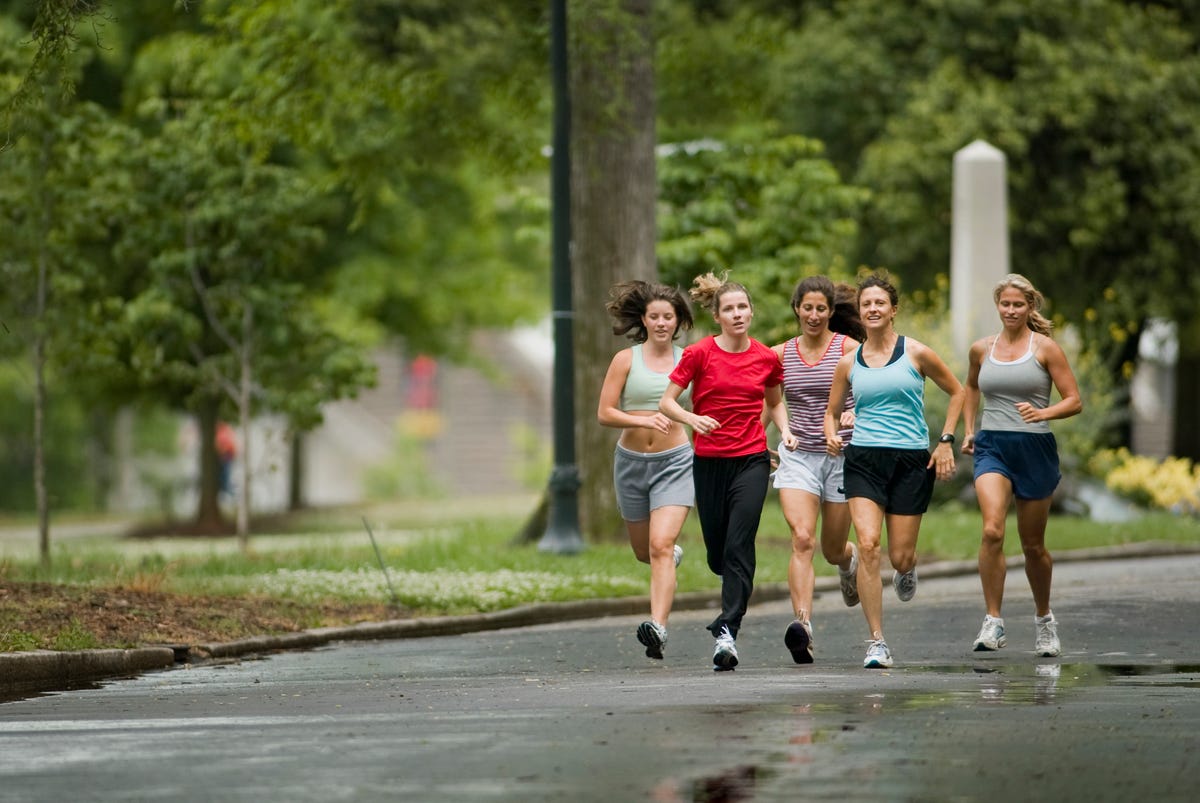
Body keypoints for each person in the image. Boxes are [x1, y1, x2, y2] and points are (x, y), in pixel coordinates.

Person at [824, 272, 964, 669]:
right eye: (866, 303)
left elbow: (958, 391)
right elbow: (831, 414)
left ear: (893, 310)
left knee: (899, 557)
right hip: (864, 460)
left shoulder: (917, 353)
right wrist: (833, 434)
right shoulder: (848, 362)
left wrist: (946, 440)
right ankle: (877, 642)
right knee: (868, 545)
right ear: (860, 311)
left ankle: (908, 568)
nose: (871, 309)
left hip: (909, 460)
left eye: (879, 303)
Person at [660, 272, 796, 671]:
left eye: (743, 307)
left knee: (739, 545)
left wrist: (785, 431)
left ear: (751, 313)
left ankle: (727, 632)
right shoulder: (699, 354)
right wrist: (692, 418)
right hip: (708, 462)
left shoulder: (766, 358)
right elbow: (668, 402)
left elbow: (774, 402)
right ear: (718, 315)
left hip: (751, 460)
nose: (737, 314)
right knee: (719, 555)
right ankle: (728, 591)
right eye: (729, 309)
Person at [962, 273, 1082, 657]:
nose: (1011, 310)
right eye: (1005, 304)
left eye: (1018, 304)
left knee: (1033, 546)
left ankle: (1044, 620)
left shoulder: (1045, 349)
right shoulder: (982, 349)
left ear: (1030, 307)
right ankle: (993, 621)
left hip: (1035, 448)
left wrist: (1042, 411)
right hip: (992, 446)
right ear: (997, 306)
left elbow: (1074, 400)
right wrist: (969, 430)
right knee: (993, 530)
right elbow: (971, 387)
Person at [768, 276, 866, 665]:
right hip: (799, 456)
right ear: (797, 309)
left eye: (820, 309)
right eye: (806, 308)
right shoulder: (779, 355)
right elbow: (769, 400)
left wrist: (853, 413)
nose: (813, 315)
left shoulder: (849, 349)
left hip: (841, 456)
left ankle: (848, 561)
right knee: (803, 538)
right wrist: (760, 443)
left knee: (830, 548)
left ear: (830, 312)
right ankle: (803, 627)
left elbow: (871, 395)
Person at [597, 280, 696, 661]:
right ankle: (670, 557)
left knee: (660, 545)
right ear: (644, 319)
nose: (660, 323)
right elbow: (604, 413)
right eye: (653, 316)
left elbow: (701, 408)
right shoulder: (626, 360)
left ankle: (657, 627)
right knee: (645, 552)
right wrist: (641, 422)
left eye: (667, 317)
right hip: (631, 464)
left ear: (678, 321)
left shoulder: (689, 359)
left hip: (675, 462)